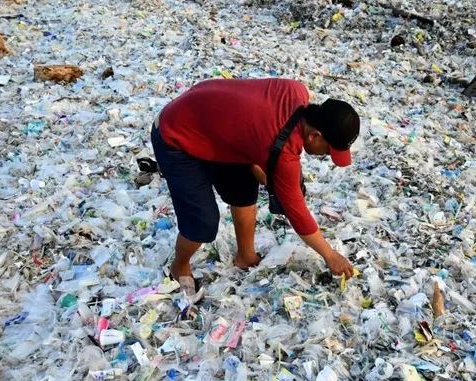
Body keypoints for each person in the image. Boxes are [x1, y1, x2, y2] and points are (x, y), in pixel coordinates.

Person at [150, 78, 360, 294]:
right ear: (315, 135)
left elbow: (251, 119)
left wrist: (257, 161)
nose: (325, 156)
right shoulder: (283, 154)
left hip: (204, 116)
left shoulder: (295, 90)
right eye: (327, 151)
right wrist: (329, 254)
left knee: (245, 184)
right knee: (202, 222)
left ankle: (246, 256)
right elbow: (296, 212)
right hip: (174, 134)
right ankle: (180, 265)